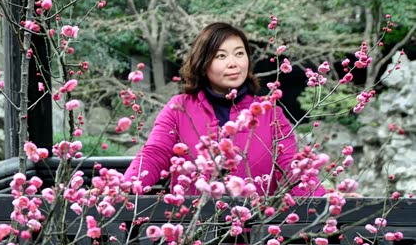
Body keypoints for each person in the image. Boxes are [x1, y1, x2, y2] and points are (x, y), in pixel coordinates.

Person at [123, 22, 325, 197]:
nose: (233, 63)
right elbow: (154, 154)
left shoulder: (270, 114)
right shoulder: (178, 109)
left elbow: (291, 167)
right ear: (203, 63)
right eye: (221, 56)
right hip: (192, 224)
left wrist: (325, 203)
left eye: (239, 54)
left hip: (254, 226)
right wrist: (124, 189)